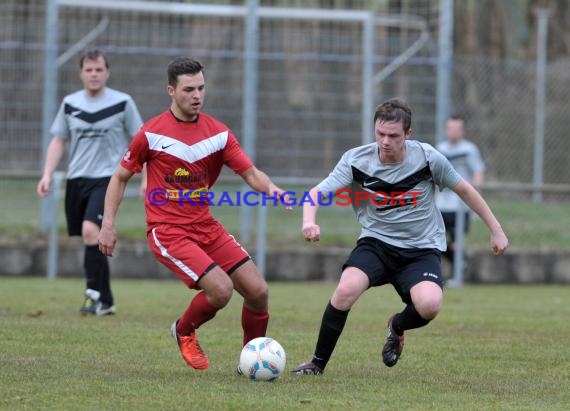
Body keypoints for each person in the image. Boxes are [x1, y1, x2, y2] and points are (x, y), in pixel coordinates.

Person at [97, 57, 290, 370]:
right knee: (221, 290)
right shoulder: (151, 133)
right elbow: (119, 177)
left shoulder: (218, 134)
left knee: (258, 291)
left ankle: (250, 361)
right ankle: (184, 330)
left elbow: (251, 173)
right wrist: (108, 224)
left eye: (201, 88)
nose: (197, 95)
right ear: (171, 90)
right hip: (167, 230)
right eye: (188, 89)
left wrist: (274, 191)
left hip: (205, 226)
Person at [291, 98, 508, 375]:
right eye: (380, 134)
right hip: (376, 243)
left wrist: (496, 229)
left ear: (408, 134)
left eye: (393, 135)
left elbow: (465, 190)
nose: (385, 141)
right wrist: (309, 221)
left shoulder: (428, 158)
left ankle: (397, 326)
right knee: (345, 289)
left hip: (421, 248)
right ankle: (316, 364)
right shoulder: (357, 160)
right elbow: (316, 193)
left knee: (429, 305)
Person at [37, 49, 143, 316]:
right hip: (77, 179)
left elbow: (142, 141)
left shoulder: (122, 102)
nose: (94, 74)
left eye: (99, 70)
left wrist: (146, 179)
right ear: (81, 73)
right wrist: (47, 174)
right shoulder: (70, 103)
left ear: (107, 72)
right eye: (89, 70)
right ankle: (107, 300)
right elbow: (58, 139)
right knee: (92, 238)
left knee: (89, 230)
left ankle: (92, 296)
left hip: (108, 178)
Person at [436, 115, 485, 270]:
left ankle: (458, 272)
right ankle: (460, 265)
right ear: (446, 130)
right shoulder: (440, 149)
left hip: (461, 205)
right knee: (437, 241)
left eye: (457, 128)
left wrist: (476, 199)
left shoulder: (469, 149)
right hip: (441, 205)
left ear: (462, 131)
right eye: (450, 128)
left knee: (456, 242)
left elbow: (478, 172)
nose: (453, 132)